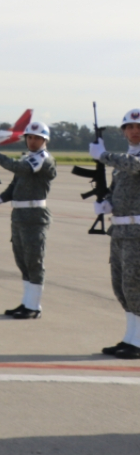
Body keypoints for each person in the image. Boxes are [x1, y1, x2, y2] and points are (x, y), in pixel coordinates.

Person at [0, 121, 56, 319]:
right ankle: (26, 302)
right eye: (30, 137)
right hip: (18, 215)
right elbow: (16, 183)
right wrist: (1, 197)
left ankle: (34, 306)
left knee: (34, 260)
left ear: (45, 140)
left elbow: (19, 168)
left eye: (37, 138)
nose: (32, 141)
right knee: (22, 260)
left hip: (34, 216)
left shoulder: (43, 159)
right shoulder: (29, 158)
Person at [88, 111, 140, 357]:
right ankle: (130, 338)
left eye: (138, 126)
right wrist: (107, 202)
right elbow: (116, 187)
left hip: (137, 232)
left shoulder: (129, 159)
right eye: (129, 127)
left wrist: (104, 155)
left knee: (134, 285)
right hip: (119, 230)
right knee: (121, 287)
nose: (134, 131)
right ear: (123, 132)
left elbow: (134, 166)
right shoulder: (124, 159)